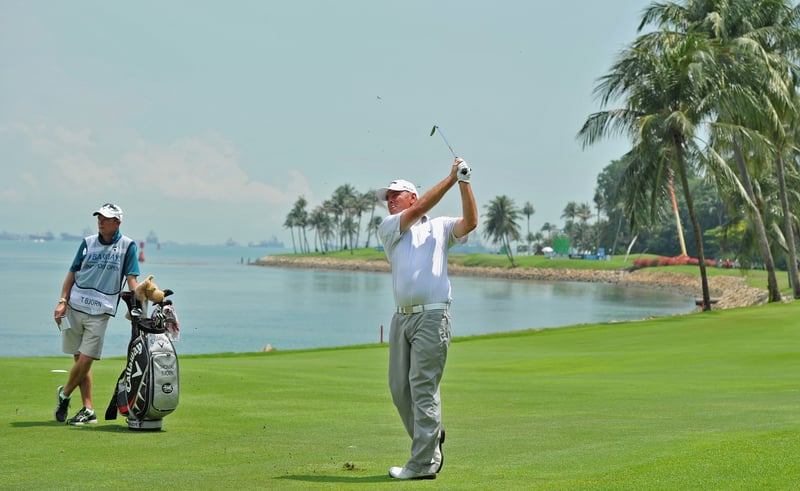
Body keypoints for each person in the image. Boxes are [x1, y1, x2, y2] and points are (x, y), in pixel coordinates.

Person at [376, 157, 478, 480]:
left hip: (432, 317)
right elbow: (417, 214)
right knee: (398, 389)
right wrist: (449, 180)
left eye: (396, 195)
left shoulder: (441, 226)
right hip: (401, 318)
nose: (389, 200)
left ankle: (422, 464)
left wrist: (463, 182)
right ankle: (431, 441)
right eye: (388, 197)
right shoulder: (390, 227)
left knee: (422, 386)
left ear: (413, 197)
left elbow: (471, 222)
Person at [53, 203, 140, 425]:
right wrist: (62, 301)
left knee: (86, 359)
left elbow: (131, 280)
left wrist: (142, 297)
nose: (101, 221)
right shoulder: (88, 242)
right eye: (99, 218)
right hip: (74, 306)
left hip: (100, 311)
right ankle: (88, 409)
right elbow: (73, 272)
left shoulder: (127, 246)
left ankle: (64, 395)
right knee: (79, 360)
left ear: (117, 222)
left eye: (106, 219)